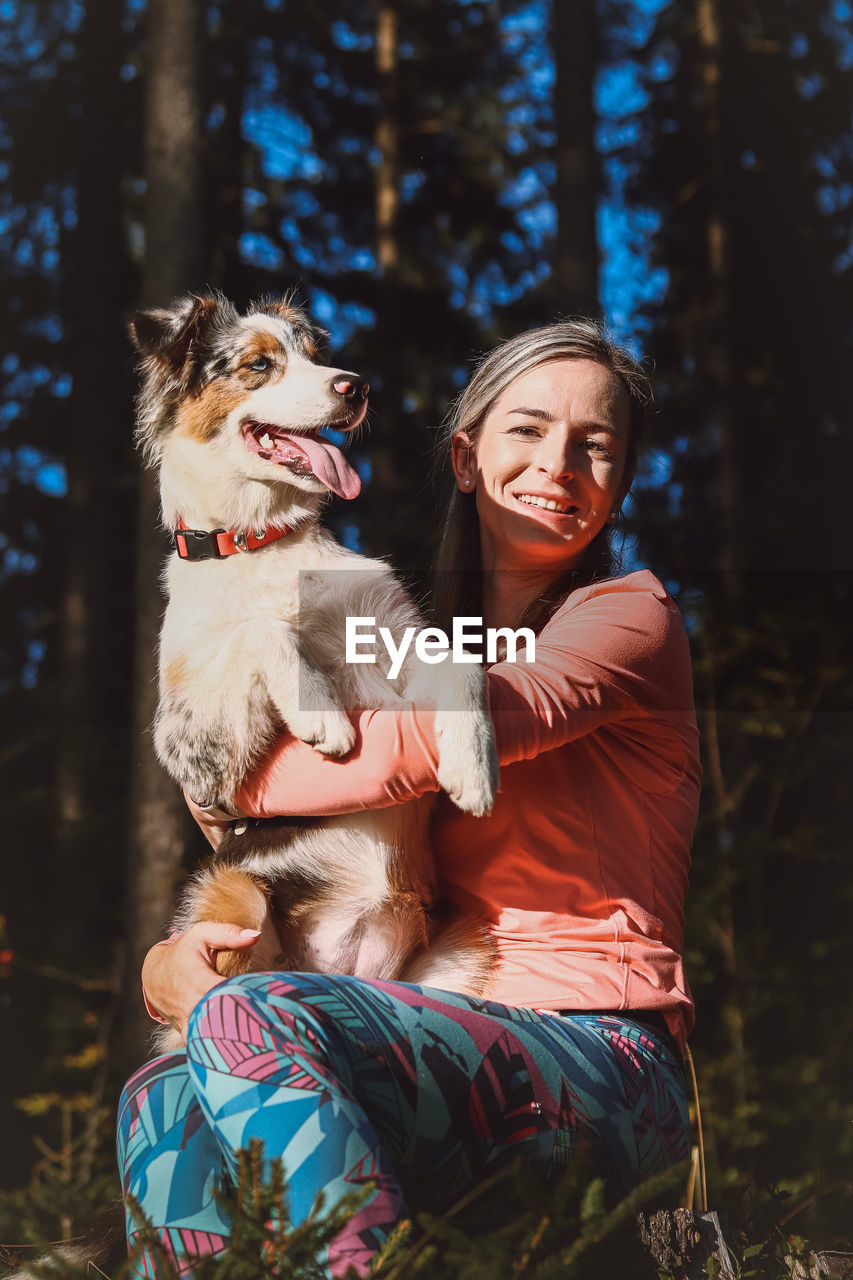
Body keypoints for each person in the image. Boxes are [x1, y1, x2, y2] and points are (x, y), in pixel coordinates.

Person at [120, 321, 701, 1278]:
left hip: (603, 1058)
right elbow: (279, 806)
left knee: (253, 1020)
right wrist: (182, 952)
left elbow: (426, 747)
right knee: (160, 1097)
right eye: (526, 430)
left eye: (594, 444)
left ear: (622, 477)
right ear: (466, 459)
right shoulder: (418, 634)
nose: (557, 462)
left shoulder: (626, 615)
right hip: (418, 1012)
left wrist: (226, 788)